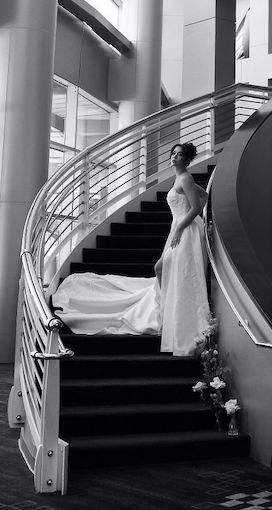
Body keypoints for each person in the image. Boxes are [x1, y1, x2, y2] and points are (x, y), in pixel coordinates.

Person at [51, 142, 210, 356]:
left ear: (187, 159)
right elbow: (204, 196)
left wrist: (181, 228)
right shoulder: (182, 178)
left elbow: (197, 207)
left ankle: (181, 322)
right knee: (162, 269)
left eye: (179, 155)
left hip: (185, 230)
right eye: (173, 153)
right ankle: (166, 314)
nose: (174, 157)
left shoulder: (186, 178)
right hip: (180, 228)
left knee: (177, 273)